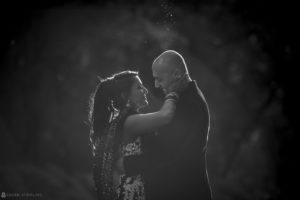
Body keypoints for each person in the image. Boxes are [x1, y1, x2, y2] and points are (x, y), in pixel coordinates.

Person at [122, 50, 213, 200]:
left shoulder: (190, 104)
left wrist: (127, 164)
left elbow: (167, 152)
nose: (156, 85)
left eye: (159, 79)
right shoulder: (184, 98)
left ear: (177, 74)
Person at [88, 70, 182, 200]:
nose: (145, 90)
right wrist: (173, 92)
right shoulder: (130, 121)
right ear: (124, 95)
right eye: (139, 87)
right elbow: (166, 116)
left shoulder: (123, 121)